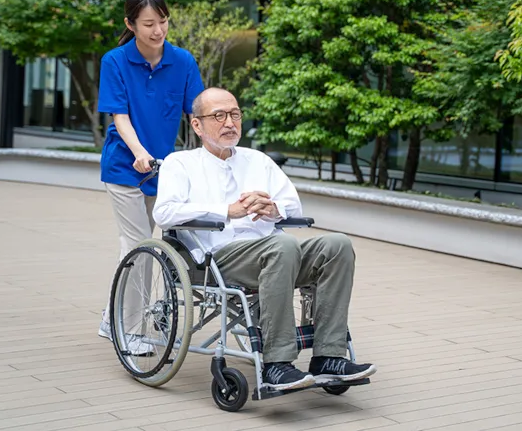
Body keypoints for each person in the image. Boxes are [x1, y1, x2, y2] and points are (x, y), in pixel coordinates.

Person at [152, 87, 377, 391]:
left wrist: (272, 208)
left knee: (337, 245)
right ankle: (277, 363)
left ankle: (329, 356)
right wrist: (227, 211)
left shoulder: (258, 160)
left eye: (235, 114)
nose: (230, 122)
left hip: (275, 253)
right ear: (197, 125)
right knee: (282, 245)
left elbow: (293, 207)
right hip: (218, 258)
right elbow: (164, 213)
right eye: (219, 115)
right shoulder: (180, 164)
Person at [96, 0, 205, 352]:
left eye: (162, 21)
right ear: (130, 24)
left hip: (164, 170)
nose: (158, 30)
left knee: (144, 244)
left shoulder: (183, 61)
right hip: (126, 167)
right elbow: (120, 117)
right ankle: (129, 331)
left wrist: (214, 149)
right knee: (141, 244)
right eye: (148, 24)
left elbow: (197, 114)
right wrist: (140, 152)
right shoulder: (115, 61)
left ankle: (112, 316)